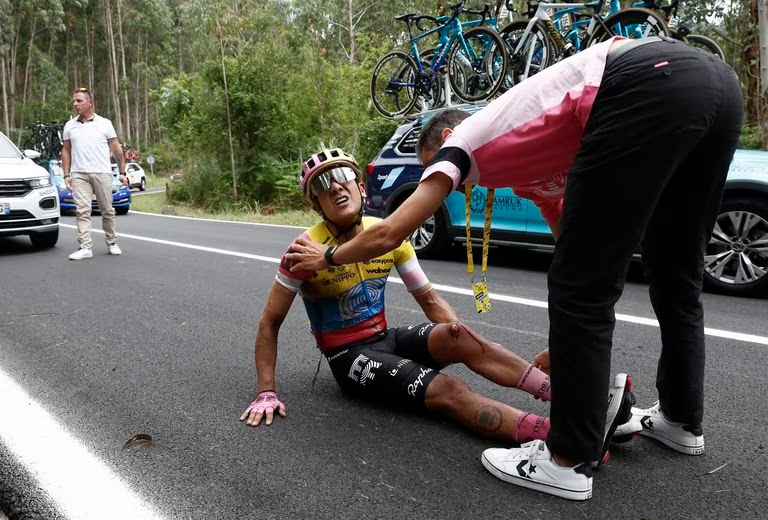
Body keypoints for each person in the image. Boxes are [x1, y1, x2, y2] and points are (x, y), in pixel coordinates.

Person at [286, 36, 744, 501]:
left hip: (644, 80)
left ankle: (566, 458)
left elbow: (388, 234)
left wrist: (326, 258)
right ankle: (680, 422)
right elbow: (578, 252)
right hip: (717, 88)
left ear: (442, 142)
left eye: (429, 170)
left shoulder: (463, 141)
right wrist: (564, 345)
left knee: (589, 286)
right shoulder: (530, 172)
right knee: (676, 278)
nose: (449, 189)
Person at [239, 148, 635, 454]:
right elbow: (269, 323)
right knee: (449, 389)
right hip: (350, 358)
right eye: (322, 186)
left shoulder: (386, 235)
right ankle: (562, 437)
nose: (335, 187)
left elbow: (427, 297)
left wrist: (452, 329)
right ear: (316, 204)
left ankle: (581, 403)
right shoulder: (304, 251)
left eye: (343, 177)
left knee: (460, 337)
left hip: (385, 337)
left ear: (360, 186)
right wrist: (266, 391)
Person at [61, 87, 127, 260]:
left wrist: (122, 171)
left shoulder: (105, 123)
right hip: (79, 173)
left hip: (102, 172)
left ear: (90, 103)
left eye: (79, 101)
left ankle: (112, 242)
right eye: (74, 101)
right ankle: (85, 247)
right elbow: (66, 151)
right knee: (82, 211)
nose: (75, 104)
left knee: (107, 210)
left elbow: (116, 149)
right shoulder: (70, 126)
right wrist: (66, 174)